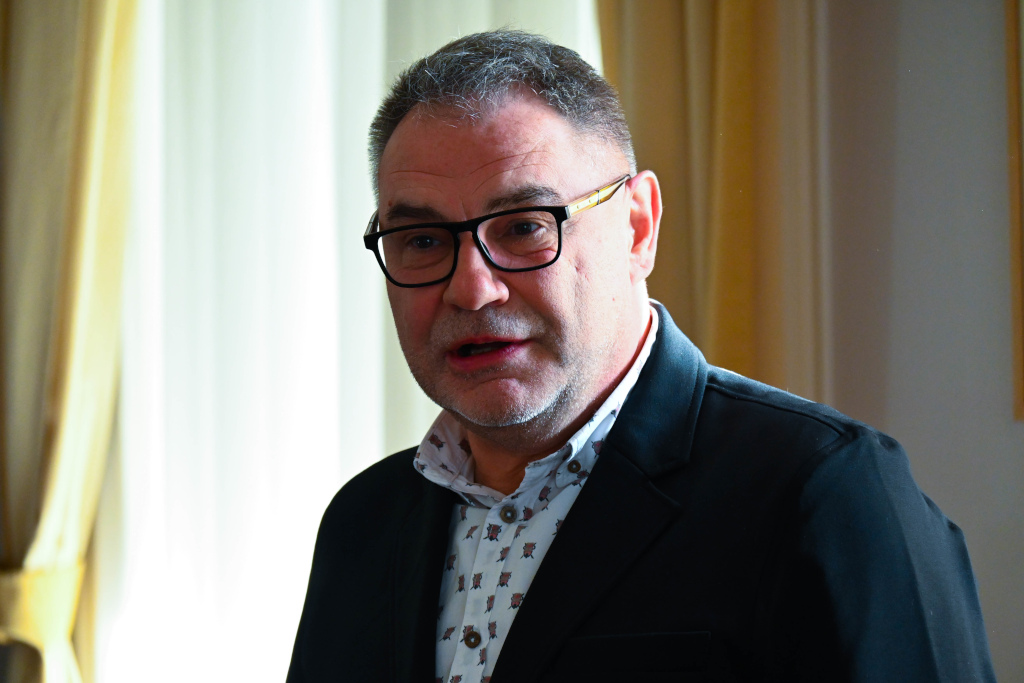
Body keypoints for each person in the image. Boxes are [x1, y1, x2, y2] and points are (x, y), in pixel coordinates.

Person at [286, 30, 995, 683]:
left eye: (525, 227)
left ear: (638, 226)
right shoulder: (362, 525)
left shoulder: (824, 493)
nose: (472, 288)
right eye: (422, 241)